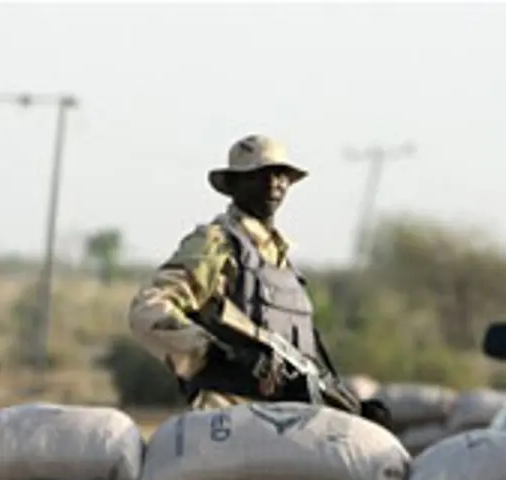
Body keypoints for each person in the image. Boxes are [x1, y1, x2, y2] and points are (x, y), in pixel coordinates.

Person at [127, 134, 388, 423]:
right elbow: (148, 310)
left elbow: (305, 370)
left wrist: (354, 410)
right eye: (259, 175)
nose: (273, 183)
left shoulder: (284, 265)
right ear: (234, 185)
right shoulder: (217, 244)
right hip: (229, 418)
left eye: (281, 175)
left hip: (289, 423)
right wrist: (217, 358)